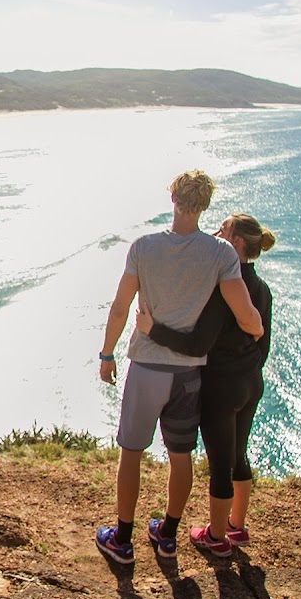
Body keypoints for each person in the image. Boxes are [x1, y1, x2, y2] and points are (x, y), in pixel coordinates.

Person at [95, 170, 263, 565]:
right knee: (180, 456)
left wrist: (106, 354)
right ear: (204, 205)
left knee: (132, 453)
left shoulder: (144, 247)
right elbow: (247, 317)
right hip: (189, 374)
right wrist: (255, 333)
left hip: (147, 369)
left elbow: (121, 308)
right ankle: (168, 535)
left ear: (173, 198)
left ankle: (122, 540)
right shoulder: (222, 254)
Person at [135, 213, 275, 558]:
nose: (216, 232)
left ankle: (215, 536)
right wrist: (245, 369)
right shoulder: (261, 289)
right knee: (238, 453)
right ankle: (236, 526)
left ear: (237, 243)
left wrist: (153, 330)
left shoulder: (225, 288)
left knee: (220, 463)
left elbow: (198, 345)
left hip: (221, 388)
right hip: (250, 382)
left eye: (223, 229)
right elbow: (264, 345)